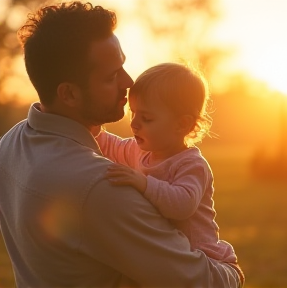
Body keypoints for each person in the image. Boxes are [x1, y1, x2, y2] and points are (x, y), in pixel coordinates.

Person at [0, 1, 243, 287]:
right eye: (112, 76)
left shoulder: (10, 144)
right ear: (69, 94)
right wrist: (231, 272)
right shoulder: (101, 186)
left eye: (123, 67)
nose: (128, 82)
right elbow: (197, 280)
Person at [96, 62, 245, 286]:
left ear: (182, 124)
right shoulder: (138, 150)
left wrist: (143, 183)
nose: (134, 124)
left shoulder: (191, 165)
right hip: (173, 263)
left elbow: (182, 205)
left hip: (208, 263)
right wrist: (85, 124)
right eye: (133, 113)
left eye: (146, 118)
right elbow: (106, 144)